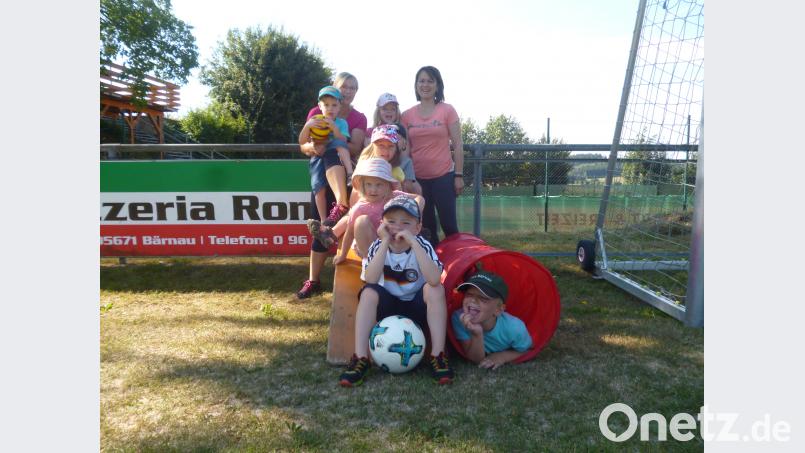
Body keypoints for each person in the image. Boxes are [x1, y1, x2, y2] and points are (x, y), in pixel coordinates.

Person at [338, 195, 454, 387]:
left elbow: (434, 279)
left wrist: (415, 243)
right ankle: (360, 357)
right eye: (391, 221)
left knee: (435, 289)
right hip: (388, 306)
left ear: (417, 228)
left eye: (406, 222)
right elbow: (371, 279)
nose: (397, 227)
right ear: (382, 224)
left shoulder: (422, 245)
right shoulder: (378, 245)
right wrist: (384, 243)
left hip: (416, 308)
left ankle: (438, 355)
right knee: (368, 292)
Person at [297, 72, 367, 299]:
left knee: (347, 228)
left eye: (352, 88)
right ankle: (313, 280)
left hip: (346, 176)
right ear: (334, 88)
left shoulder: (357, 118)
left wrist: (330, 140)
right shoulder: (315, 112)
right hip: (320, 174)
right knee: (320, 227)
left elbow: (355, 147)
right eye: (344, 87)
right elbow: (304, 144)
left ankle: (353, 278)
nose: (348, 91)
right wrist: (312, 148)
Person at [307, 157, 424, 267]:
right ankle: (371, 263)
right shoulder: (360, 208)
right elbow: (349, 233)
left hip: (393, 245)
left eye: (379, 185)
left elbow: (419, 199)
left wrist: (414, 213)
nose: (373, 190)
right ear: (362, 186)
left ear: (388, 185)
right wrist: (343, 255)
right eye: (369, 184)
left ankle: (400, 260)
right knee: (361, 221)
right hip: (369, 246)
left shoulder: (395, 197)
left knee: (403, 220)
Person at [401, 66, 464, 246]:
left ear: (437, 85)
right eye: (421, 81)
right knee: (426, 228)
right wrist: (407, 178)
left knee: (449, 225)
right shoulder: (406, 115)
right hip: (418, 180)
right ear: (416, 85)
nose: (425, 85)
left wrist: (458, 176)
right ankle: (432, 267)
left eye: (430, 81)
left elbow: (458, 144)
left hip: (444, 177)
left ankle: (460, 267)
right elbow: (406, 150)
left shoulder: (447, 110)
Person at [451, 270, 533, 369]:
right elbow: (474, 359)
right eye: (469, 295)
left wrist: (503, 356)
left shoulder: (515, 328)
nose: (473, 300)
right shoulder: (458, 318)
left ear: (498, 310)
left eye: (483, 298)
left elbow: (528, 350)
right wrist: (477, 334)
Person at [299, 86, 353, 223]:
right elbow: (302, 142)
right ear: (319, 106)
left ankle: (350, 174)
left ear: (340, 106)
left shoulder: (341, 123)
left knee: (339, 145)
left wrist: (334, 128)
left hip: (335, 160)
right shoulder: (314, 120)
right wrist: (307, 126)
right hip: (317, 158)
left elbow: (343, 141)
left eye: (334, 105)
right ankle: (323, 221)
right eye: (326, 105)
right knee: (318, 189)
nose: (330, 108)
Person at [365, 93, 421, 195]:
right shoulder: (371, 131)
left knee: (416, 188)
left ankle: (411, 205)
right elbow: (368, 153)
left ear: (397, 112)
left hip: (398, 164)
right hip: (378, 166)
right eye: (385, 109)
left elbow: (405, 153)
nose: (389, 111)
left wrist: (398, 148)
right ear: (379, 111)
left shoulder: (400, 130)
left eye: (393, 109)